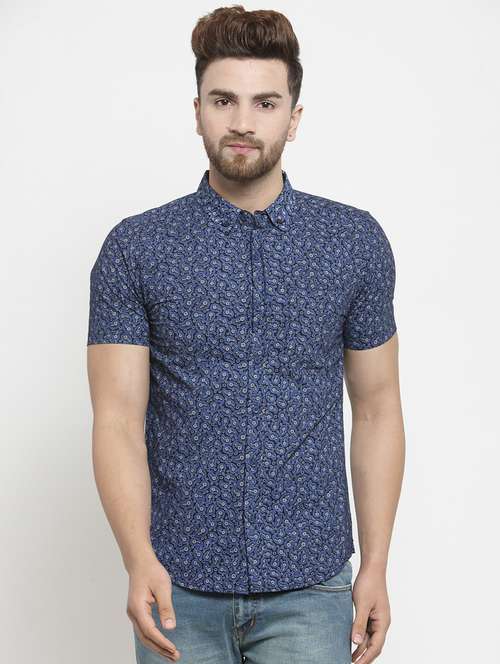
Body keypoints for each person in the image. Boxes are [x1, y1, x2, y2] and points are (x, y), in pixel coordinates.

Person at [86, 5, 405, 664]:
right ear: (197, 110)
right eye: (222, 100)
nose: (241, 121)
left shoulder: (353, 242)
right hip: (177, 585)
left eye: (265, 103)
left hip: (312, 584)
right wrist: (138, 559)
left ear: (294, 117)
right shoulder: (136, 249)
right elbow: (116, 418)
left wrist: (375, 564)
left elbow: (377, 408)